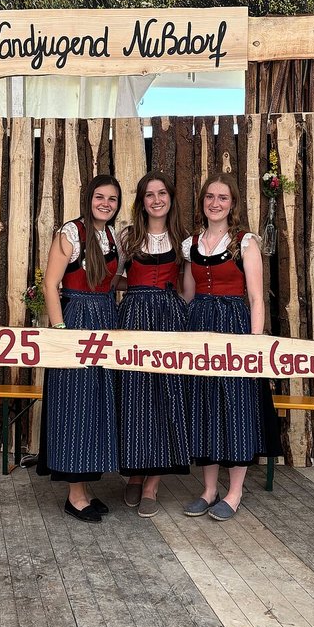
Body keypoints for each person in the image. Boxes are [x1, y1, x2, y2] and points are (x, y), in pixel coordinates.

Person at [38, 175, 122, 522]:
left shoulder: (112, 235)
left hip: (104, 319)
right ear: (88, 198)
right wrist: (61, 331)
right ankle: (74, 495)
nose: (105, 204)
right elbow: (50, 284)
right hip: (77, 319)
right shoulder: (70, 233)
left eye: (112, 199)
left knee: (96, 405)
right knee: (75, 404)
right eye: (100, 197)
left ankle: (84, 488)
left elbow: (109, 280)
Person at [182, 172, 264, 520]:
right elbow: (188, 296)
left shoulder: (244, 242)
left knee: (235, 405)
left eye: (223, 198)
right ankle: (209, 489)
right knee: (206, 405)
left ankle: (234, 491)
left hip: (233, 327)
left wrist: (254, 346)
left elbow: (256, 298)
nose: (215, 203)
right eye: (210, 197)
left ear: (233, 204)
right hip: (200, 327)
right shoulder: (191, 244)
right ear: (203, 201)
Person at [116, 171, 190, 517]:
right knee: (134, 394)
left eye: (162, 193)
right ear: (141, 201)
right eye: (149, 194)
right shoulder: (128, 237)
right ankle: (134, 472)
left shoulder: (183, 240)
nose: (156, 199)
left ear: (170, 198)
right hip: (133, 318)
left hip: (169, 320)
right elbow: (112, 277)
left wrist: (180, 314)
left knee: (165, 395)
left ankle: (152, 483)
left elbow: (188, 288)